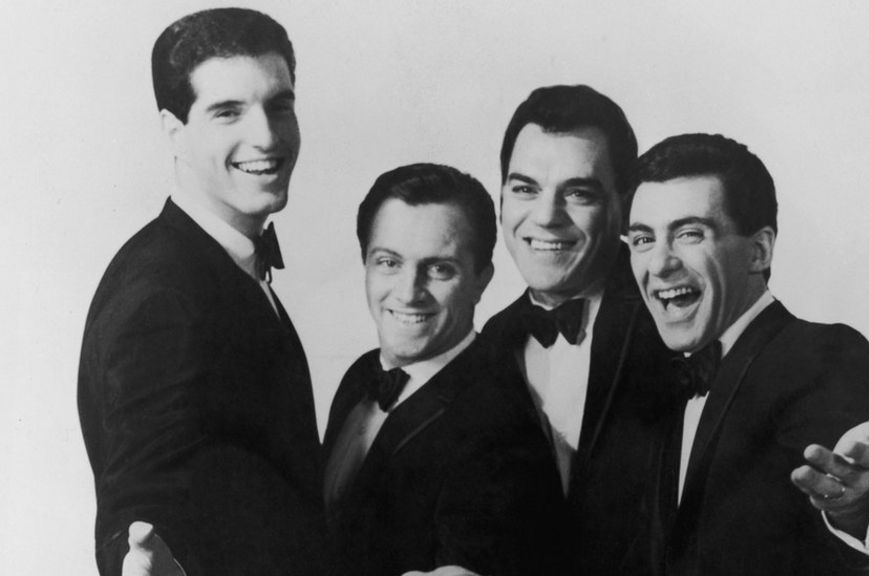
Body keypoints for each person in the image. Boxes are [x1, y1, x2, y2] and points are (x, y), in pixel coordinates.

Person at [77, 9, 332, 576]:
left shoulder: (214, 261)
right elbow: (138, 506)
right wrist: (136, 558)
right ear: (174, 132)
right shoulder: (161, 296)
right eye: (228, 112)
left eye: (279, 105)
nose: (267, 136)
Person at [623, 133, 869, 574]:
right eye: (642, 239)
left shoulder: (820, 355)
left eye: (689, 234)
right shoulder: (664, 378)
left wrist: (853, 506)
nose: (658, 264)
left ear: (758, 251)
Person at [321, 163, 568, 576]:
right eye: (389, 262)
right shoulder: (361, 375)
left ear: (481, 280)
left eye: (439, 269)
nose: (408, 292)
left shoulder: (501, 433)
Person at [480, 85, 677, 573]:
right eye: (525, 188)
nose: (546, 217)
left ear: (623, 207)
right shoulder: (490, 341)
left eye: (578, 193)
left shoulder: (678, 326)